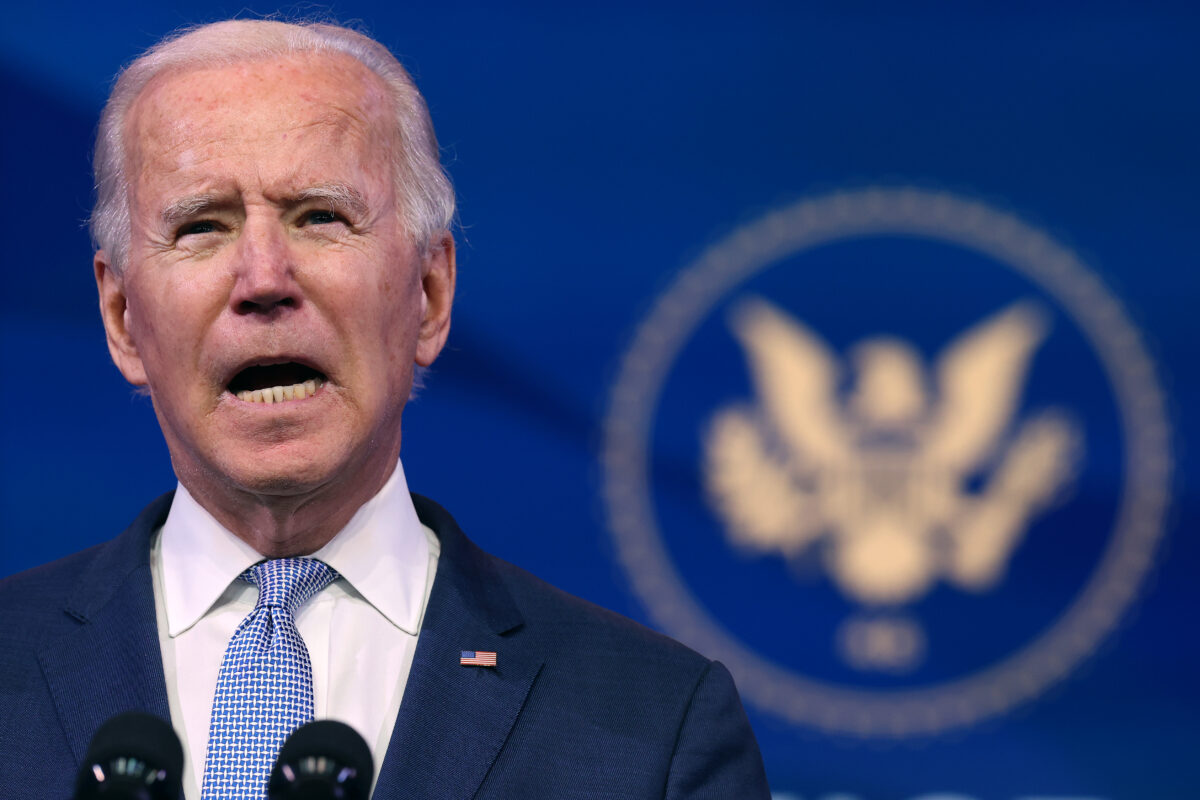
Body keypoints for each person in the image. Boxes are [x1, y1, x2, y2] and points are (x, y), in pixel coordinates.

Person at [0, 18, 770, 800]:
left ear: (431, 296)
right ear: (123, 317)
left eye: (321, 217)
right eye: (201, 226)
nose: (264, 277)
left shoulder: (654, 725)